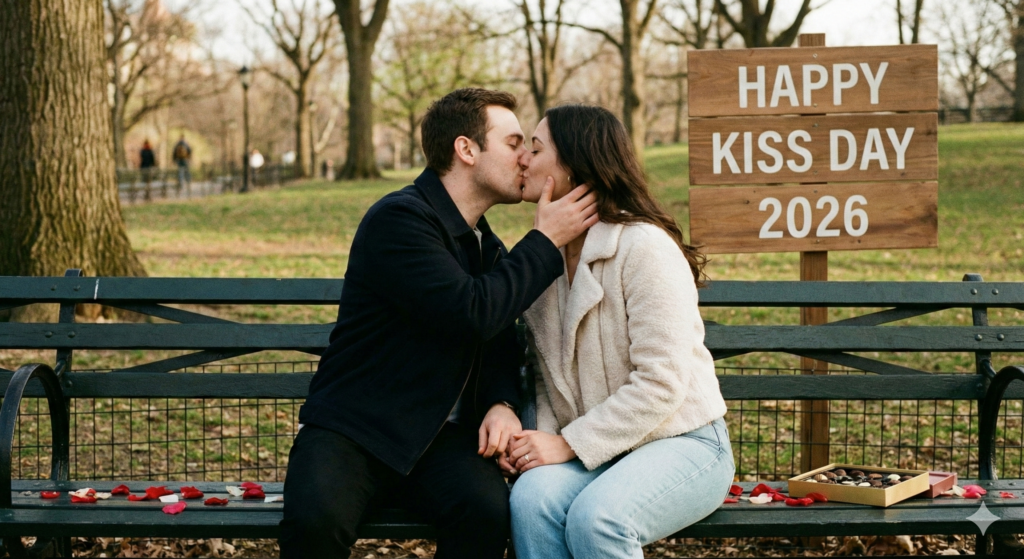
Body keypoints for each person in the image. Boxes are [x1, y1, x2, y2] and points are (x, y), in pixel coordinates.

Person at [279, 88, 599, 559]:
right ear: (466, 150)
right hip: (355, 430)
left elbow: (499, 338)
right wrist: (546, 240)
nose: (525, 159)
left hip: (439, 441)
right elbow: (471, 311)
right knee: (315, 524)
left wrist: (501, 402)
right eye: (513, 144)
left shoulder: (487, 246)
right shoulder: (400, 220)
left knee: (486, 512)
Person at [508, 104, 734, 559]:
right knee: (531, 501)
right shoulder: (540, 259)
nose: (523, 160)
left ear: (573, 165)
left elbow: (661, 383)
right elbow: (545, 380)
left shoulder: (644, 246)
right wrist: (543, 447)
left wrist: (566, 443)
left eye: (535, 148)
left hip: (683, 441)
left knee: (599, 520)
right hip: (600, 449)